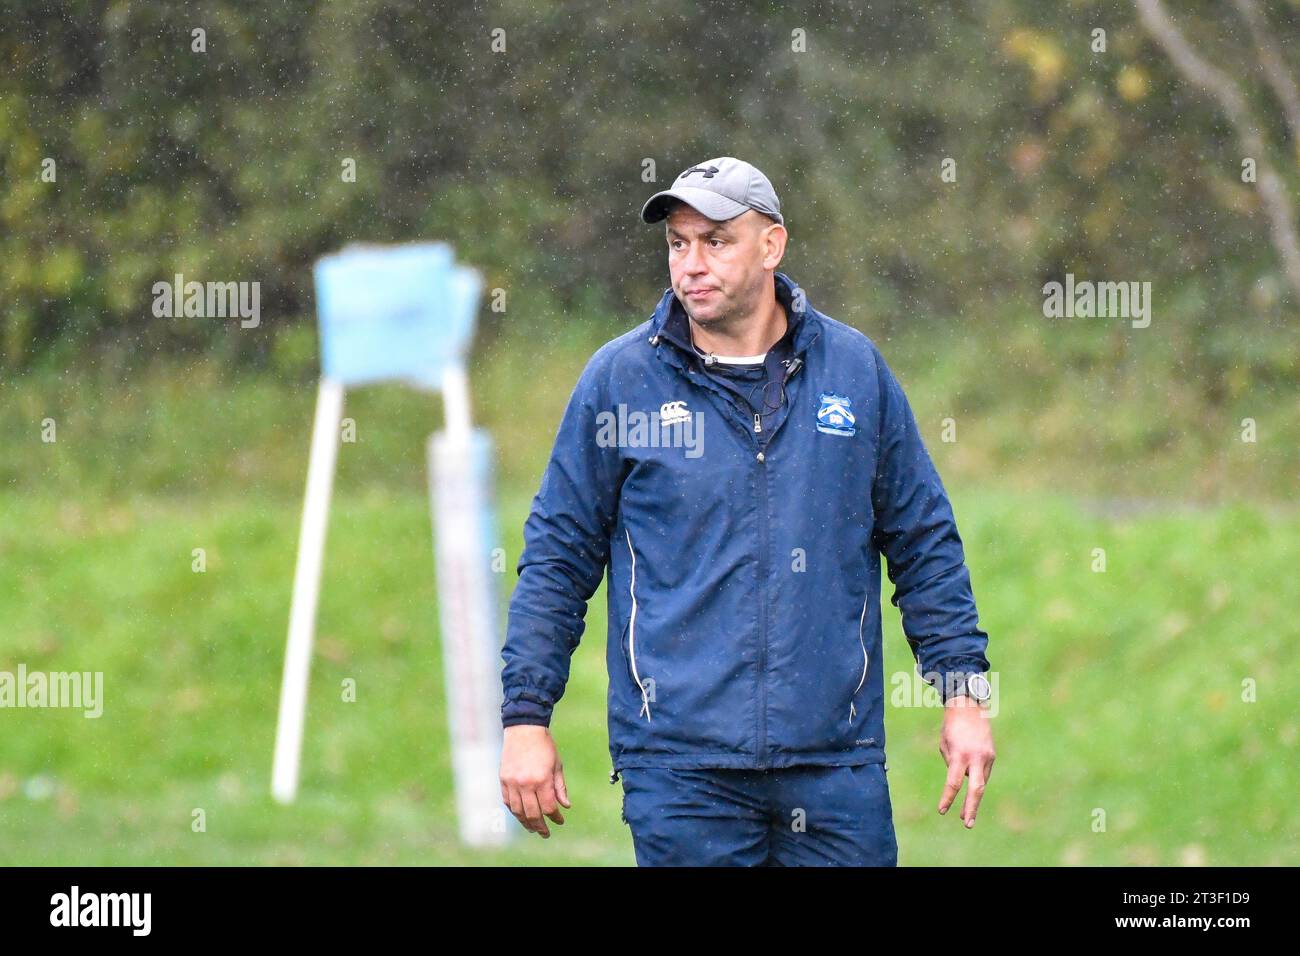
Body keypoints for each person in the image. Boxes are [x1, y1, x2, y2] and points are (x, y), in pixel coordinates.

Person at [498, 156, 995, 866]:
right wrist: (525, 716)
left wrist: (964, 694)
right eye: (678, 243)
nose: (691, 264)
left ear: (772, 245)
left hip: (836, 764)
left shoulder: (854, 373)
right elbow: (557, 555)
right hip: (679, 771)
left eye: (716, 241)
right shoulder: (621, 383)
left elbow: (925, 545)